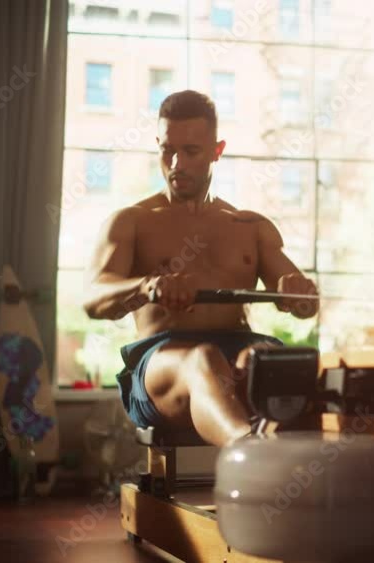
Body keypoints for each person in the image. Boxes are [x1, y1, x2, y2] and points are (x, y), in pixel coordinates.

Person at [82, 90, 319, 447]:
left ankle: (293, 466)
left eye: (190, 151)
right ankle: (250, 453)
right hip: (163, 362)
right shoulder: (132, 221)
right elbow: (93, 298)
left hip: (239, 348)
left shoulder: (249, 226)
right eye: (167, 150)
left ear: (217, 151)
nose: (176, 163)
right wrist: (147, 287)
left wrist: (299, 293)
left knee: (267, 358)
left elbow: (303, 304)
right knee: (203, 359)